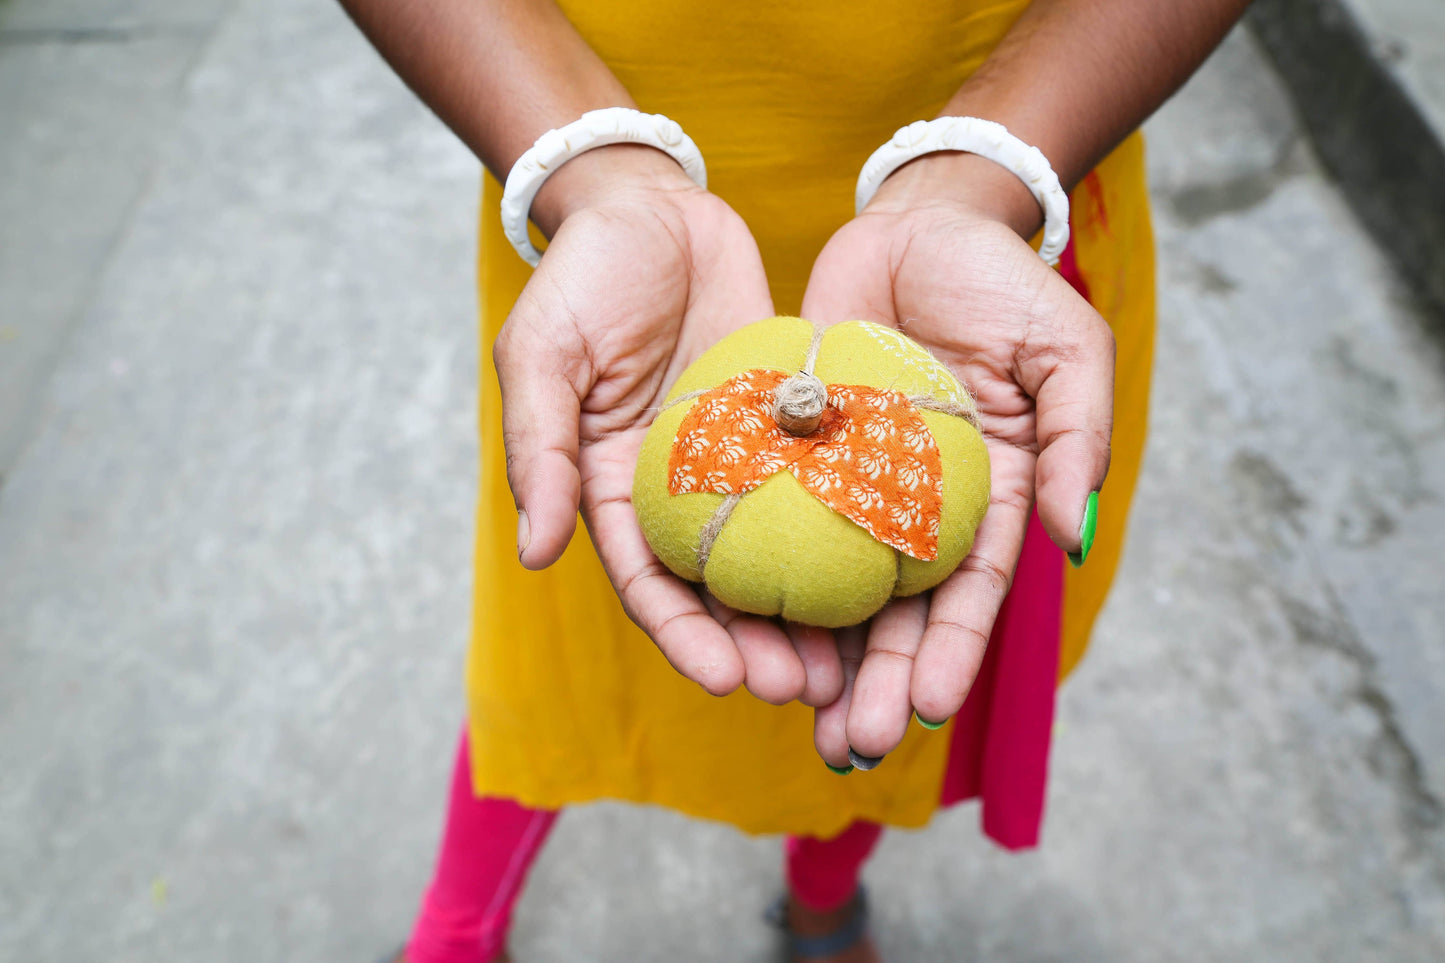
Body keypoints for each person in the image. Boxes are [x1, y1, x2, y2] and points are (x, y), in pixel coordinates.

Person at [337, 1, 1249, 960]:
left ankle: (823, 898)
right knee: (560, 659)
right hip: (602, 232)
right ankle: (459, 926)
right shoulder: (626, 310)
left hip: (1001, 202)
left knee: (894, 682)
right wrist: (590, 168)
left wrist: (989, 167)